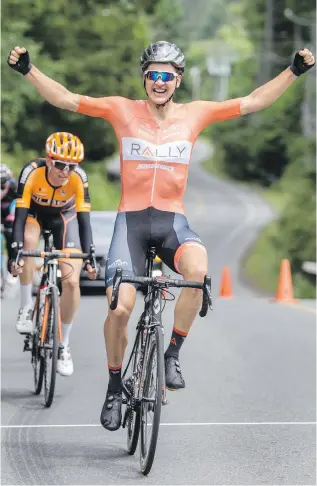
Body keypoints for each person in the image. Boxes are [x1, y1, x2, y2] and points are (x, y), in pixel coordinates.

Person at [8, 42, 315, 429]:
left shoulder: (195, 114)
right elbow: (67, 99)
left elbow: (252, 102)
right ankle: (115, 386)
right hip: (131, 224)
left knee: (198, 274)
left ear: (178, 80)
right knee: (119, 309)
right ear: (144, 77)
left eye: (166, 75)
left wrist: (293, 71)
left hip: (173, 223)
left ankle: (171, 354)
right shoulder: (122, 110)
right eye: (152, 74)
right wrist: (29, 70)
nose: (158, 81)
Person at [9, 131, 97, 376]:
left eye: (71, 166)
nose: (65, 171)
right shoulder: (32, 171)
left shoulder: (79, 178)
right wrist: (16, 253)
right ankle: (26, 308)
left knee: (71, 281)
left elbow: (84, 221)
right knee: (28, 242)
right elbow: (19, 217)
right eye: (60, 164)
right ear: (49, 160)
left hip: (64, 219)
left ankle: (64, 345)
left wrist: (89, 256)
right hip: (34, 216)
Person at [1, 164, 18, 293]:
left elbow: (19, 202)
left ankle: (10, 268)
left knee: (10, 242)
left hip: (10, 214)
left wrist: (12, 216)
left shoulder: (14, 186)